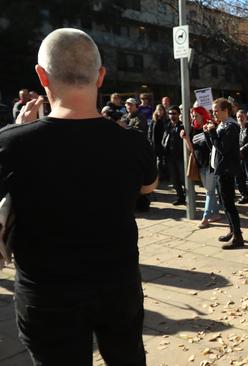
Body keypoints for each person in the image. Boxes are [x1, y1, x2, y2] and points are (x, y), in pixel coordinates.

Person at [0, 28, 157, 365]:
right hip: (118, 285)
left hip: (46, 294)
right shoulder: (132, 142)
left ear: (41, 76)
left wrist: (18, 128)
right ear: (101, 76)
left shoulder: (10, 144)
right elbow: (148, 187)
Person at [206, 98, 245, 249]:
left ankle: (238, 237)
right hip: (220, 169)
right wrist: (209, 134)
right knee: (224, 203)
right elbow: (214, 148)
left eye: (216, 111)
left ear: (225, 111)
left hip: (227, 171)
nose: (213, 113)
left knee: (229, 204)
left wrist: (212, 132)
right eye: (213, 111)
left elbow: (223, 149)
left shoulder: (231, 127)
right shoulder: (222, 125)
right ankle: (232, 230)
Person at [182, 106, 221, 228]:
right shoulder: (194, 129)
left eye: (196, 115)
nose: (194, 118)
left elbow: (215, 146)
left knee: (209, 192)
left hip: (210, 165)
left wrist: (208, 132)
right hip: (200, 164)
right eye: (193, 116)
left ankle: (205, 217)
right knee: (209, 190)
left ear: (203, 115)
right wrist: (186, 139)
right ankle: (215, 214)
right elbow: (192, 149)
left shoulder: (210, 126)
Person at [163, 105, 186, 205]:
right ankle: (180, 197)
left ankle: (189, 197)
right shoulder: (167, 125)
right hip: (170, 156)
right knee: (174, 179)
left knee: (183, 179)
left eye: (174, 113)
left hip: (181, 157)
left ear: (179, 114)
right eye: (170, 113)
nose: (172, 115)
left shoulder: (182, 125)